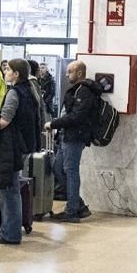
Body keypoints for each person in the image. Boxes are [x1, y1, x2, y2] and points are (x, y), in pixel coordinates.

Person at [0, 58, 40, 245]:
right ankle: (11, 229)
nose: (5, 72)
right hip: (25, 144)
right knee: (13, 187)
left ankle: (10, 233)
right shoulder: (30, 90)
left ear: (16, 74)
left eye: (8, 70)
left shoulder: (15, 92)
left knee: (9, 189)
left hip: (12, 146)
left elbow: (5, 120)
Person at [44, 60, 97, 222]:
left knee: (70, 170)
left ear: (79, 73)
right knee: (58, 168)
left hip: (75, 137)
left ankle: (72, 211)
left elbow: (76, 116)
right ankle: (78, 205)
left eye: (70, 72)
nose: (67, 75)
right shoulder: (76, 90)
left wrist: (54, 123)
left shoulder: (84, 91)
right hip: (66, 136)